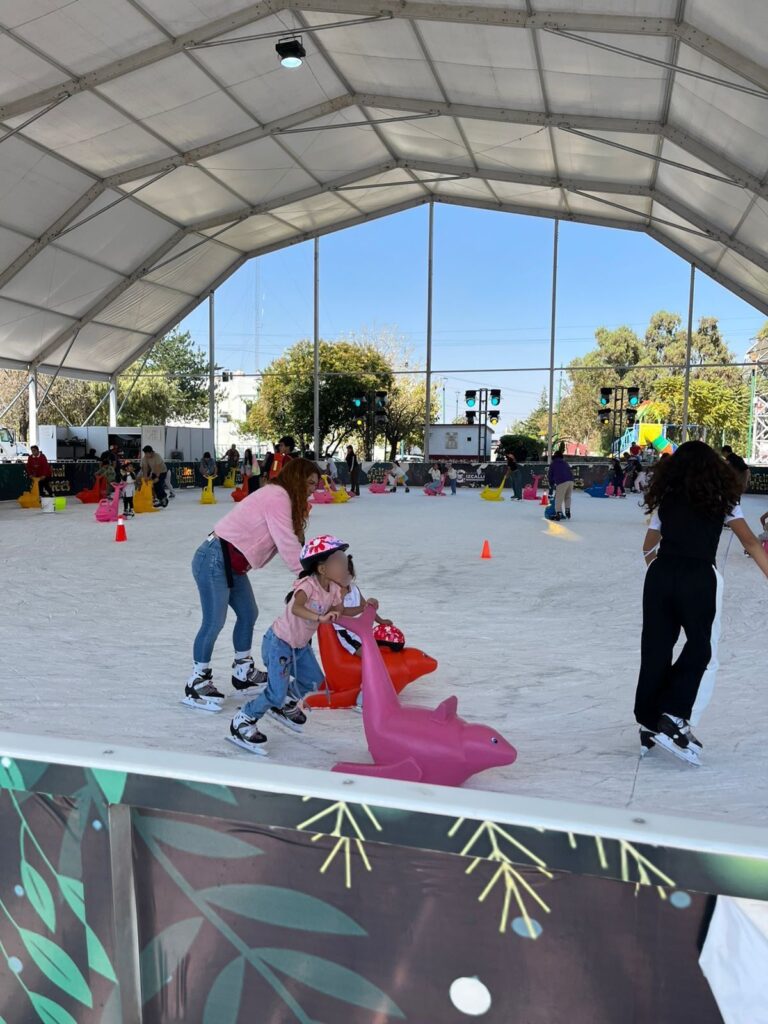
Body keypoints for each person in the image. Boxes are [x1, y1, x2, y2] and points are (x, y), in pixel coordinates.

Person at [633, 441, 768, 766]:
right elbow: (751, 542)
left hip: (660, 576)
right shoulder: (723, 498)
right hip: (698, 578)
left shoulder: (666, 498)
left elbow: (648, 547)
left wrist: (661, 572)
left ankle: (649, 721)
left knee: (656, 649)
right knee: (701, 647)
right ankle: (673, 716)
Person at [182, 458, 321, 712]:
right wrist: (308, 576)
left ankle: (243, 671)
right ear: (297, 479)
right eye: (310, 483)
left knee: (248, 613)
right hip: (214, 558)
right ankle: (197, 680)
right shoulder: (277, 496)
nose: (314, 489)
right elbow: (285, 541)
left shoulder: (286, 500)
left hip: (232, 564)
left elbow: (294, 541)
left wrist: (309, 567)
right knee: (214, 621)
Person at [228, 534, 365, 755]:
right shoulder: (308, 585)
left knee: (314, 682)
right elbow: (296, 608)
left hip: (300, 648)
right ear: (322, 569)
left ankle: (285, 702)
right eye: (339, 562)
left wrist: (364, 608)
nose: (345, 566)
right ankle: (244, 719)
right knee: (275, 693)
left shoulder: (334, 589)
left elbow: (340, 611)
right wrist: (319, 617)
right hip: (279, 644)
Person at [549, 450, 574, 520]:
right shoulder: (565, 462)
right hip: (571, 481)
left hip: (562, 481)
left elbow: (550, 474)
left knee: (558, 498)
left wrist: (551, 483)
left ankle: (558, 513)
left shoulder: (553, 463)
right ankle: (567, 510)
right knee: (567, 497)